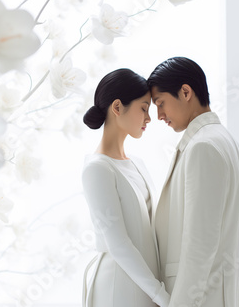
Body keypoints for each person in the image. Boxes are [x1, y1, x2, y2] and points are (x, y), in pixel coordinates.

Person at [147, 57, 239, 307]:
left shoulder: (203, 146)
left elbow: (199, 246)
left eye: (161, 103)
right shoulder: (227, 142)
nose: (159, 115)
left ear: (185, 92)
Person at [81, 68, 170, 307]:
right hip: (117, 288)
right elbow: (118, 244)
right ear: (118, 107)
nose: (149, 118)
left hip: (146, 287)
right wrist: (163, 297)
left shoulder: (137, 164)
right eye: (143, 108)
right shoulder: (97, 169)